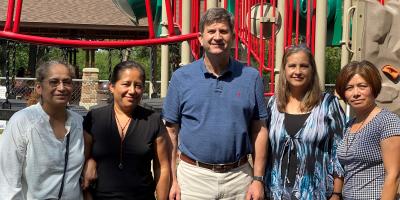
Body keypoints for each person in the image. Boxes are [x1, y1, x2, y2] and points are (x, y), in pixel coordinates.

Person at [163, 7, 268, 200]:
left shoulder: (251, 77)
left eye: (223, 31)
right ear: (201, 38)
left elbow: (259, 130)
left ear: (233, 37)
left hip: (239, 178)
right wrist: (173, 180)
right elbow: (171, 132)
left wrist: (258, 179)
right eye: (211, 31)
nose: (217, 37)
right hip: (193, 179)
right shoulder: (181, 78)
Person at [264, 44, 345, 199]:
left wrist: (337, 193)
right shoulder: (273, 105)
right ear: (285, 70)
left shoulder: (328, 104)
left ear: (312, 70)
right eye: (292, 66)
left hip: (315, 193)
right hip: (275, 193)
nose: (298, 71)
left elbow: (340, 151)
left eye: (304, 66)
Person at [81, 61, 170, 200]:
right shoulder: (94, 118)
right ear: (112, 86)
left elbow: (162, 167)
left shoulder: (153, 120)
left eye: (138, 85)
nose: (132, 91)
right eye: (126, 84)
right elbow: (82, 160)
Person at [0, 60, 84, 199]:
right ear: (39, 87)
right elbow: (7, 182)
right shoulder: (23, 122)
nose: (62, 87)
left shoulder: (78, 123)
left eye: (67, 82)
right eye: (54, 82)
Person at [335, 60, 400, 199]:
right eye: (349, 88)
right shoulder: (349, 125)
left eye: (362, 86)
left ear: (373, 87)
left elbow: (393, 175)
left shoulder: (387, 121)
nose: (356, 93)